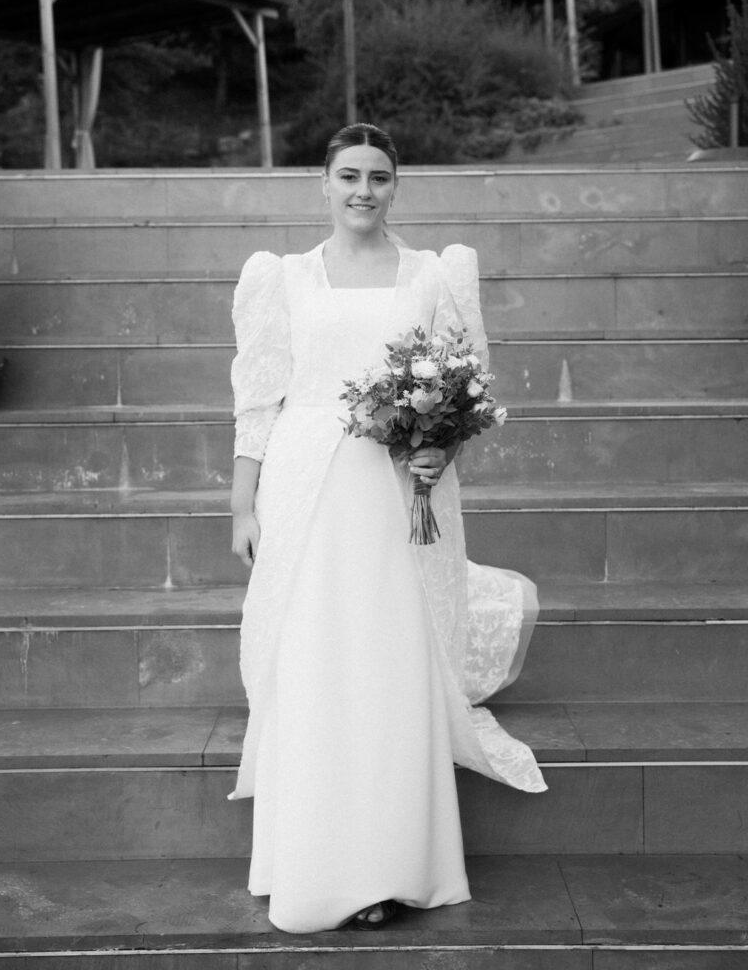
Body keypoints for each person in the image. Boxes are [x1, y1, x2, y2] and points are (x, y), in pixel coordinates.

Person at [228, 122, 546, 934]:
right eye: (348, 176)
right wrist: (241, 502)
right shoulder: (284, 278)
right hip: (306, 491)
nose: (362, 190)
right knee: (316, 664)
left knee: (387, 662)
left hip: (401, 490)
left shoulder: (432, 276)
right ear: (322, 184)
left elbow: (462, 385)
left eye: (378, 177)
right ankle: (317, 863)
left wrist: (438, 444)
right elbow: (259, 396)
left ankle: (395, 863)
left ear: (395, 185)